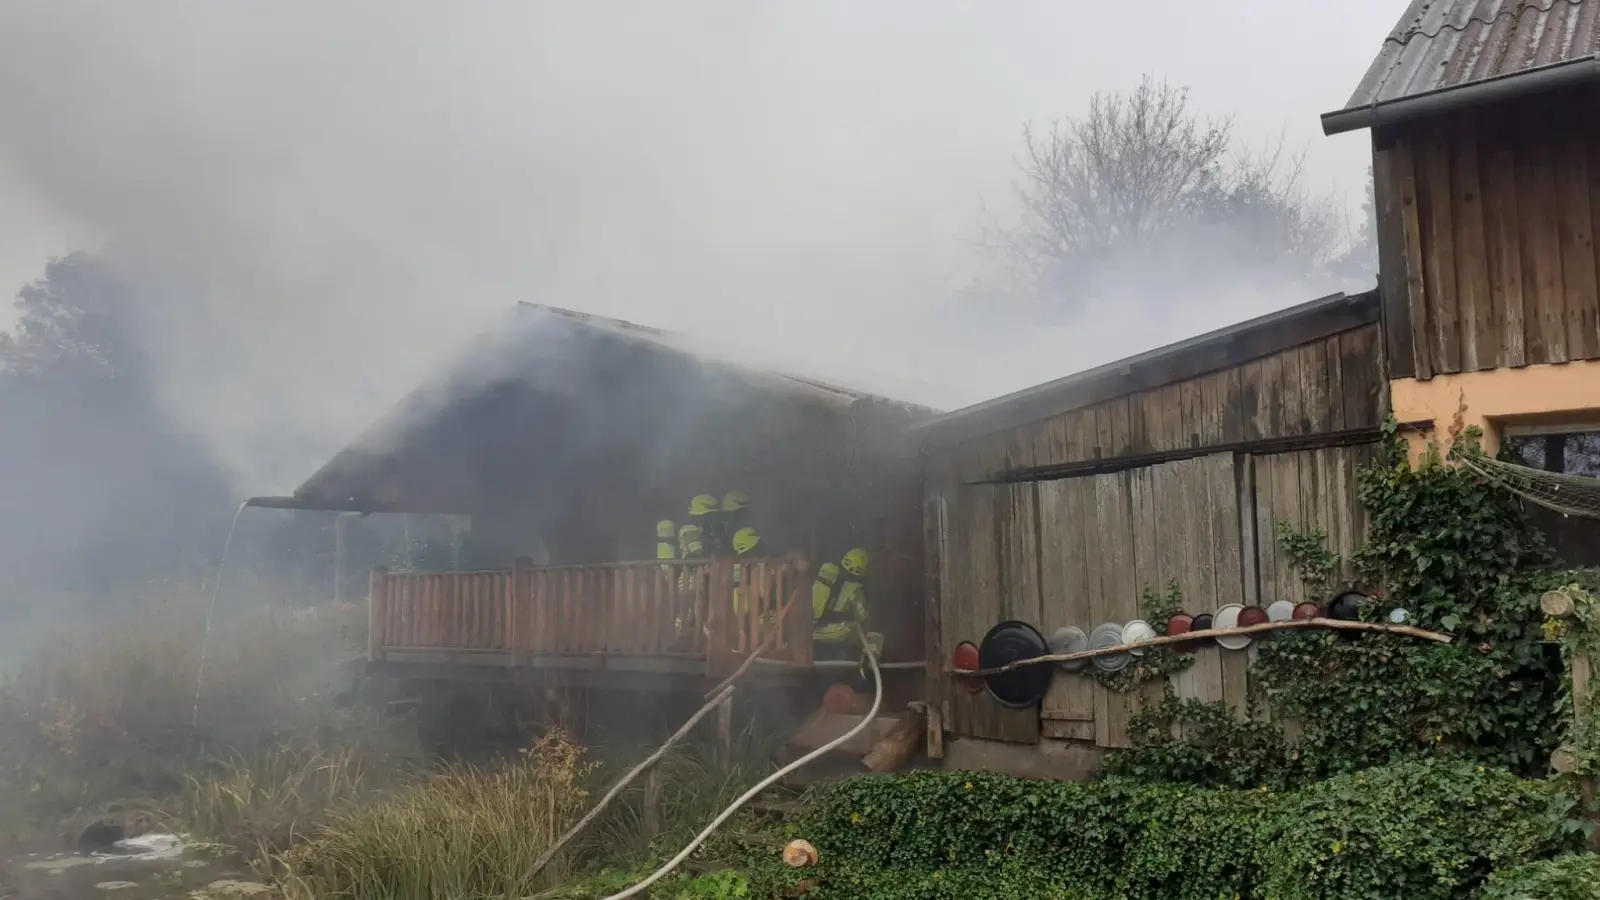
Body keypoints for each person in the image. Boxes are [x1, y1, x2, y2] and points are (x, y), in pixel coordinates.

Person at [812, 547, 870, 659]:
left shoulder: (825, 568)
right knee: (856, 631)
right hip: (832, 635)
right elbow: (863, 618)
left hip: (805, 627)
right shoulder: (856, 590)